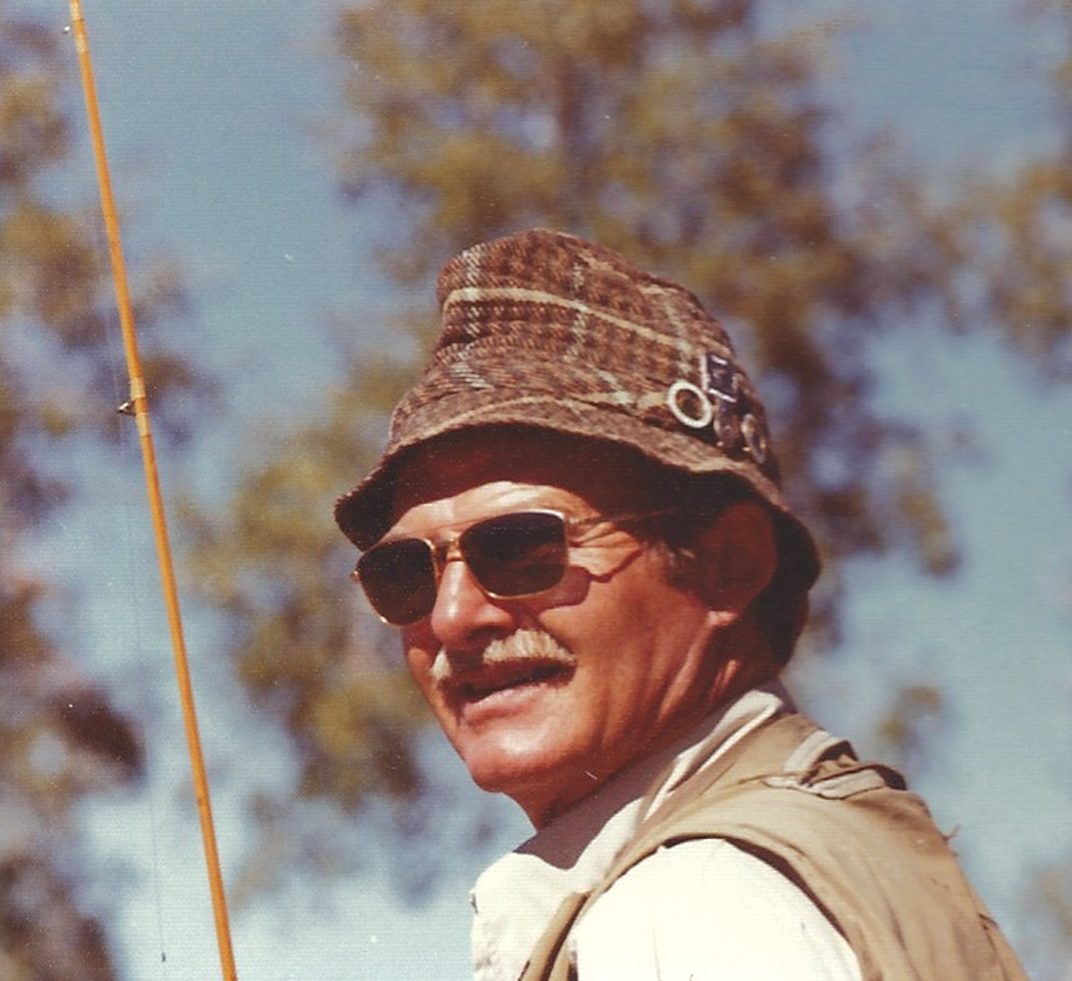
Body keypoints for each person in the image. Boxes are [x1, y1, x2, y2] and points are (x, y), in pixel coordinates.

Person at [335, 229, 1030, 981]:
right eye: (405, 573)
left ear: (728, 563)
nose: (452, 617)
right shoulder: (832, 855)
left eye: (522, 549)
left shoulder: (689, 906)